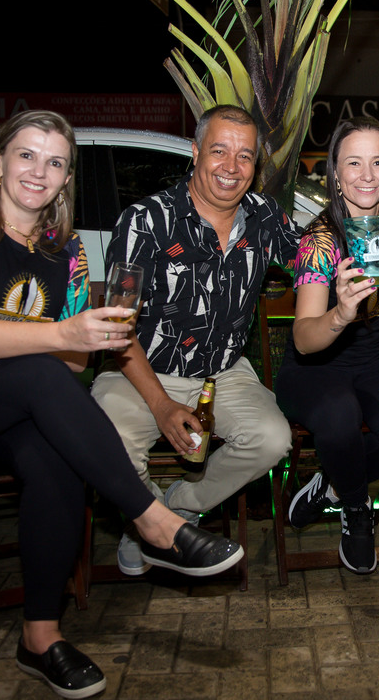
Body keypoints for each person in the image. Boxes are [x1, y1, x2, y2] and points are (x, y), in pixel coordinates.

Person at [0, 110, 242, 700]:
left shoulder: (65, 249)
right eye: (26, 155)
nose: (38, 172)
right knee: (41, 372)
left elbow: (70, 365)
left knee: (57, 457)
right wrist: (45, 338)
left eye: (55, 163)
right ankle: (152, 520)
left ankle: (40, 638)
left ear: (67, 178)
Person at [91, 104, 298, 575]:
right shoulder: (145, 220)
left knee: (271, 439)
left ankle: (177, 508)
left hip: (222, 373)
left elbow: (313, 259)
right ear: (196, 151)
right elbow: (117, 329)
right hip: (140, 367)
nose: (232, 167)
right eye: (219, 151)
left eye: (245, 156)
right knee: (107, 439)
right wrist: (161, 405)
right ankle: (144, 524)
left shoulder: (265, 216)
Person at [275, 117, 379, 574]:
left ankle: (333, 483)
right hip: (314, 370)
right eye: (354, 163)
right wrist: (340, 315)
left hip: (374, 363)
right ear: (335, 172)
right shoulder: (320, 239)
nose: (367, 175)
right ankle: (355, 507)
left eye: (378, 162)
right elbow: (304, 339)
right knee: (340, 414)